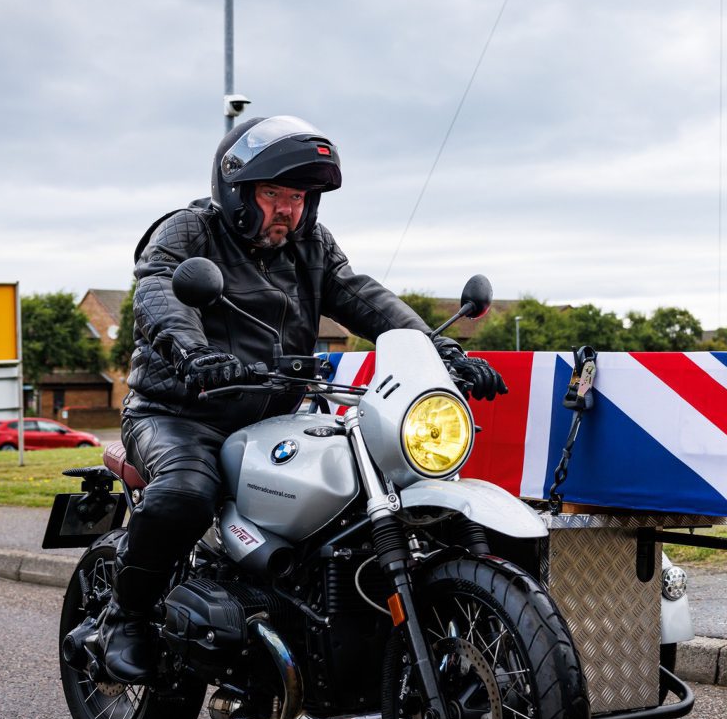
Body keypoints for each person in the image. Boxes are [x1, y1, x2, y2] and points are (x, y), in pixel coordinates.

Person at [96, 114, 506, 683]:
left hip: (276, 416)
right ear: (237, 191)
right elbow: (161, 291)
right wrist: (194, 354)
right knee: (188, 493)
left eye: (299, 196)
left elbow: (360, 296)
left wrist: (442, 355)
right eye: (274, 194)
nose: (289, 209)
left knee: (363, 496)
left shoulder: (311, 245)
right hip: (180, 412)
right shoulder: (189, 232)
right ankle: (125, 616)